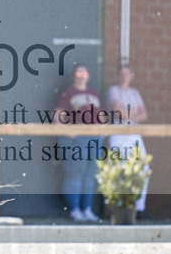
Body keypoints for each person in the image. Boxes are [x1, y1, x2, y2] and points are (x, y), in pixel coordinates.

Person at [54, 64, 103, 222]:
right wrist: (67, 132)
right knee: (75, 173)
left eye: (84, 72)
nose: (81, 75)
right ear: (74, 75)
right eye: (78, 72)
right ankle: (74, 209)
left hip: (94, 138)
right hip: (76, 139)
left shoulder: (93, 94)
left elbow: (100, 115)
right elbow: (58, 115)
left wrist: (103, 131)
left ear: (88, 75)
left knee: (90, 174)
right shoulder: (68, 93)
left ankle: (87, 209)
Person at [106, 63, 150, 214]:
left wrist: (128, 114)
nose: (124, 77)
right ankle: (118, 207)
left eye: (127, 74)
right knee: (119, 169)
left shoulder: (134, 92)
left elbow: (144, 115)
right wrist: (133, 114)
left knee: (143, 168)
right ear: (118, 76)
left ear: (131, 76)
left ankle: (140, 208)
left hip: (134, 133)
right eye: (122, 74)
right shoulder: (113, 90)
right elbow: (118, 112)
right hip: (118, 132)